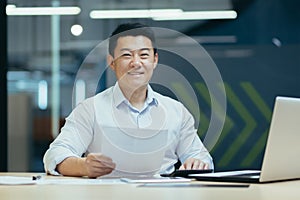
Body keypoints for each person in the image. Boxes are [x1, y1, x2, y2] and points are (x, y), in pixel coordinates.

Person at [43, 22, 213, 178]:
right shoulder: (90, 109)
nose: (136, 63)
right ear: (111, 62)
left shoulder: (176, 111)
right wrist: (83, 166)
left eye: (144, 55)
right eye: (126, 55)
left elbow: (201, 157)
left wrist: (197, 162)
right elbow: (56, 154)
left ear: (155, 60)